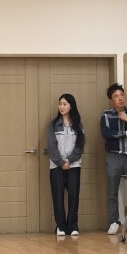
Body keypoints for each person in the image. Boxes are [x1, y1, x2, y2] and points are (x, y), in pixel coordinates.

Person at [101, 83, 127, 234]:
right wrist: (125, 133)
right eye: (116, 96)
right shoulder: (106, 115)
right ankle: (114, 221)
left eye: (122, 95)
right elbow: (106, 133)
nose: (120, 98)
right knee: (112, 190)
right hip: (114, 156)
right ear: (111, 100)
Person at [46, 94, 84, 238]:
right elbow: (51, 146)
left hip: (74, 165)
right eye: (60, 104)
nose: (61, 107)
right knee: (58, 196)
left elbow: (80, 146)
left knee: (74, 196)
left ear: (71, 106)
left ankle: (73, 226)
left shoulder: (78, 124)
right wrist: (61, 163)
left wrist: (70, 160)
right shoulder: (53, 124)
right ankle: (60, 226)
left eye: (65, 104)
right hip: (56, 166)